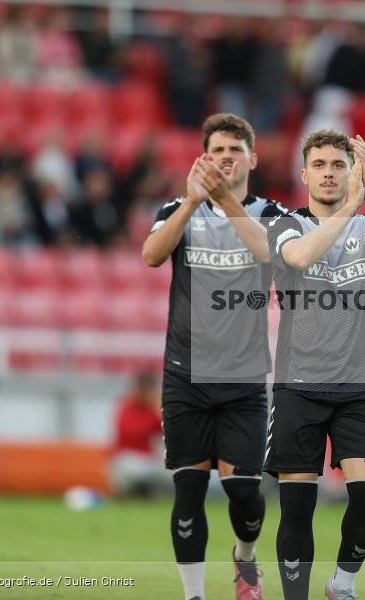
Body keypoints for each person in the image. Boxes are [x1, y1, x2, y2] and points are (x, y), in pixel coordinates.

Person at [141, 113, 285, 600]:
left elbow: (271, 255)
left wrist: (226, 202)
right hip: (185, 375)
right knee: (189, 491)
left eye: (235, 150)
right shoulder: (177, 209)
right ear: (204, 157)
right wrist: (192, 203)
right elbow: (152, 255)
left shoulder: (270, 214)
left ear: (252, 158)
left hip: (244, 379)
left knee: (245, 495)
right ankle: (195, 595)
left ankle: (245, 557)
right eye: (218, 150)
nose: (227, 157)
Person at [264, 129, 365, 600]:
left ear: (352, 171)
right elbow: (302, 255)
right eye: (321, 165)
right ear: (304, 174)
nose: (330, 173)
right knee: (298, 508)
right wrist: (351, 206)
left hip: (357, 387)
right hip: (298, 385)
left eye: (339, 166)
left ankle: (341, 584)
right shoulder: (284, 224)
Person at [109, 372, 168, 498]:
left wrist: (158, 407)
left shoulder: (152, 409)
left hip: (148, 458)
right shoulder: (127, 406)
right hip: (126, 456)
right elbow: (131, 432)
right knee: (129, 468)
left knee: (172, 467)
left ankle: (148, 493)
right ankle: (128, 493)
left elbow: (167, 431)